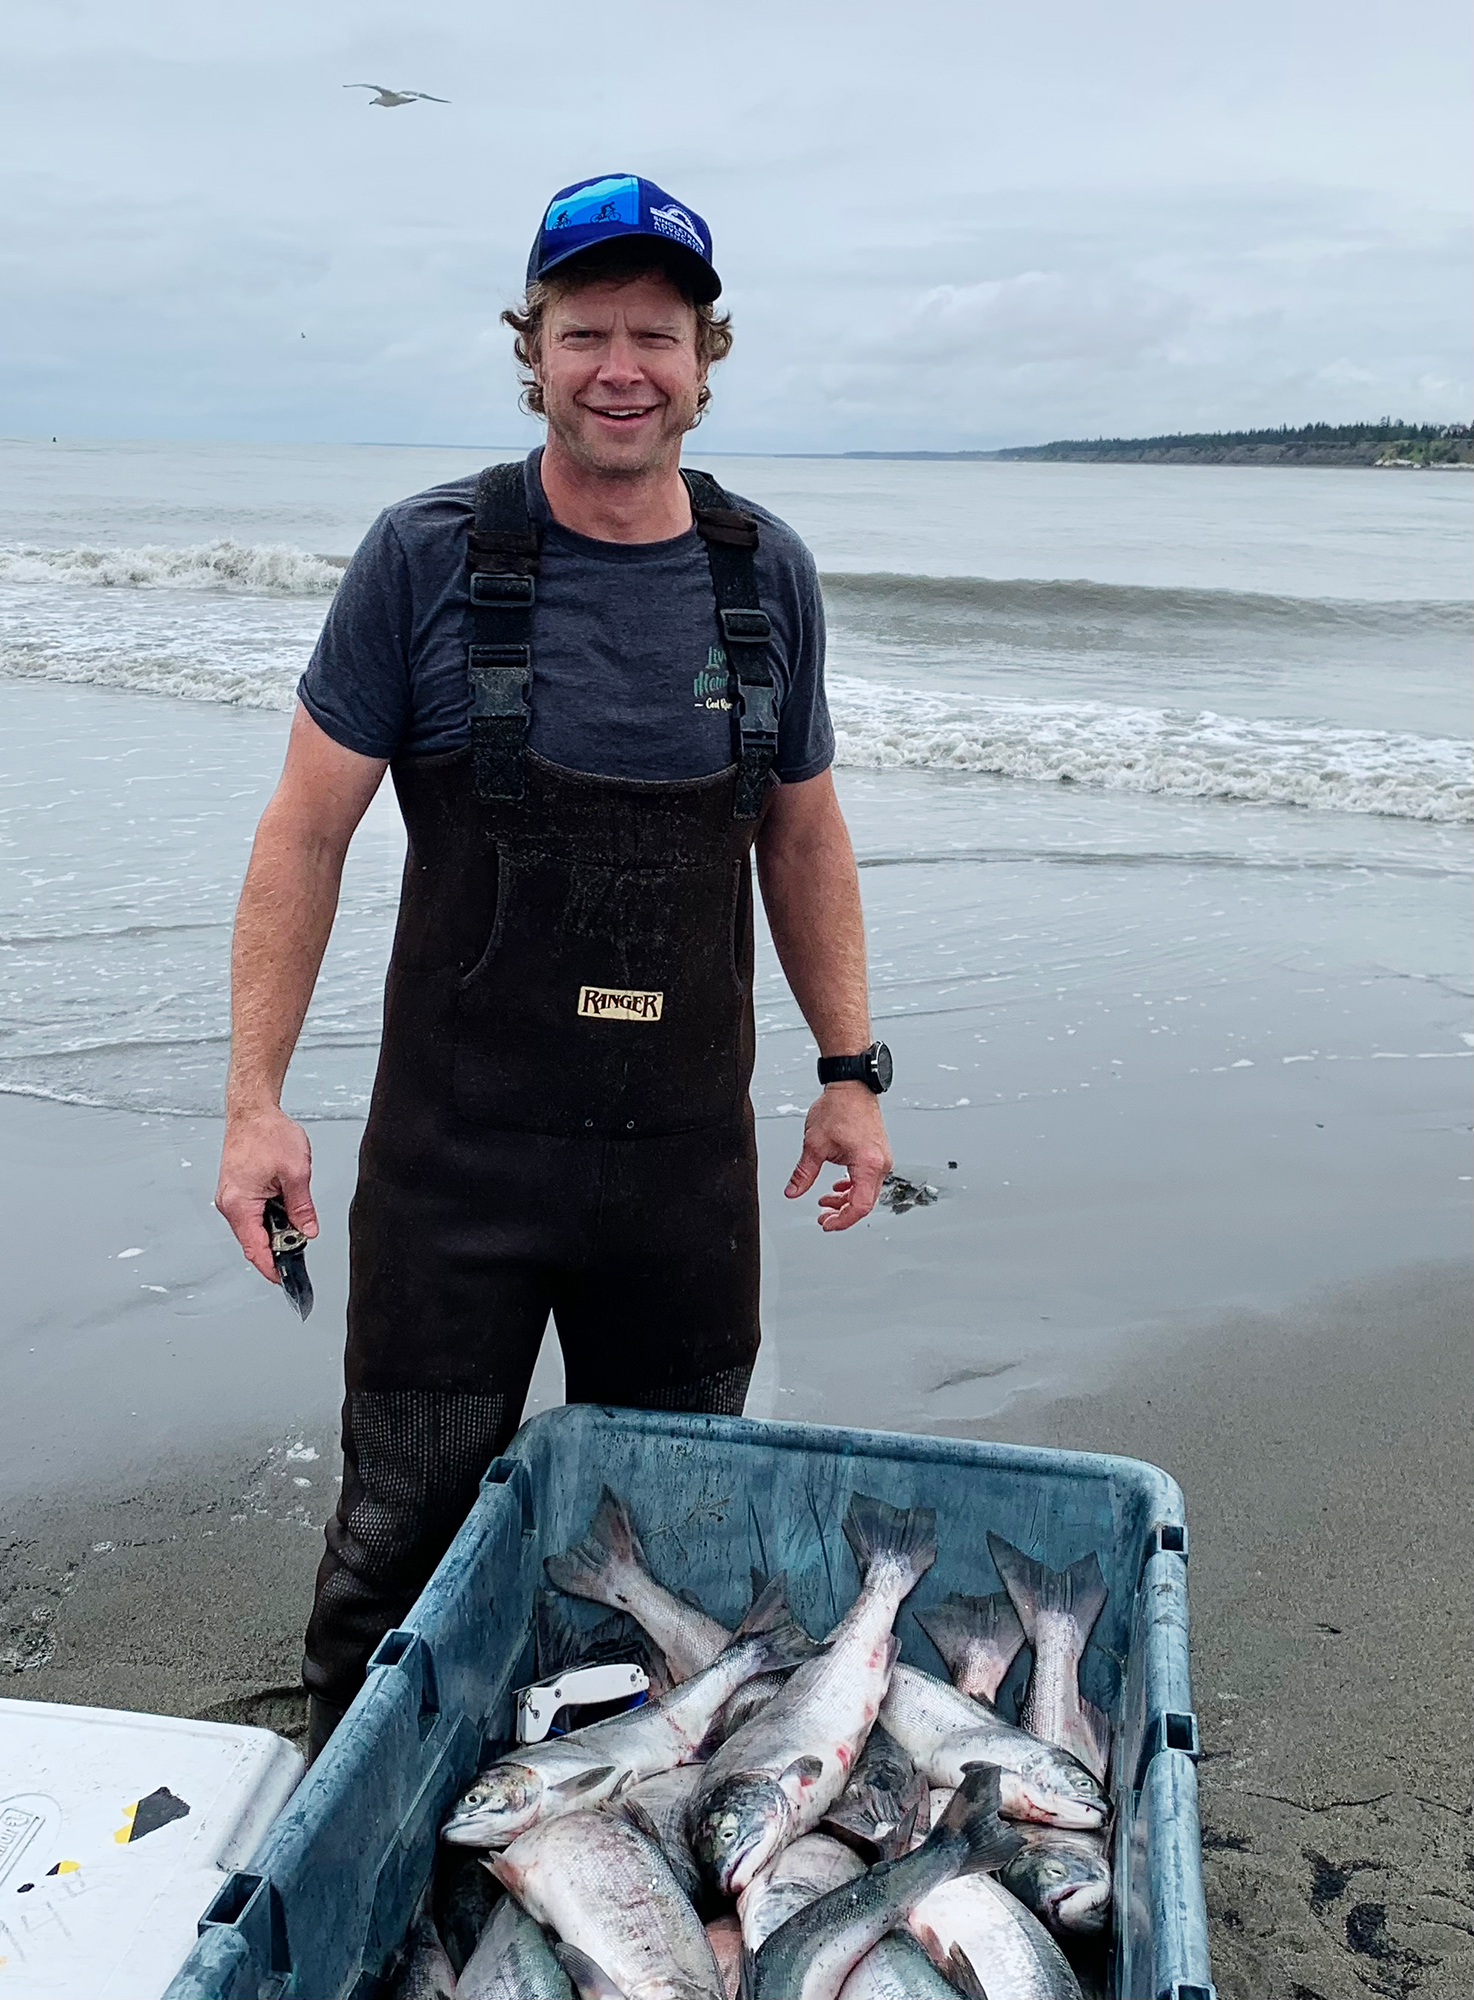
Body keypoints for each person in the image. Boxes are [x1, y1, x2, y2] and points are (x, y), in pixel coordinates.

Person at [213, 173, 894, 1758]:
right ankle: (357, 1801)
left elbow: (802, 840)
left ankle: (619, 1826)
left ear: (705, 356)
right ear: (532, 347)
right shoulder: (428, 555)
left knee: (666, 1553)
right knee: (396, 1536)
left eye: (654, 333)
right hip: (458, 1166)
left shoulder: (759, 571)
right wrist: (254, 1103)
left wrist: (849, 1074)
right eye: (584, 330)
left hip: (680, 1169)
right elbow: (302, 833)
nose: (620, 366)